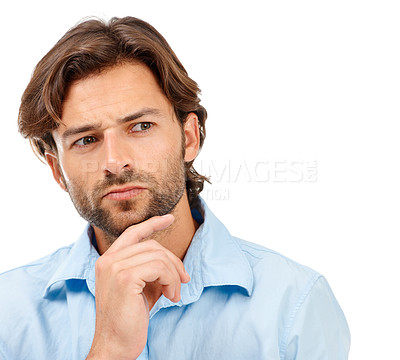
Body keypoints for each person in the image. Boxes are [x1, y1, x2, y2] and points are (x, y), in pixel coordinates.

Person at [0, 16, 350, 360]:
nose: (115, 161)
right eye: (87, 139)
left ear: (189, 137)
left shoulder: (294, 305)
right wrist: (109, 352)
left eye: (140, 126)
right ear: (56, 169)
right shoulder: (8, 314)